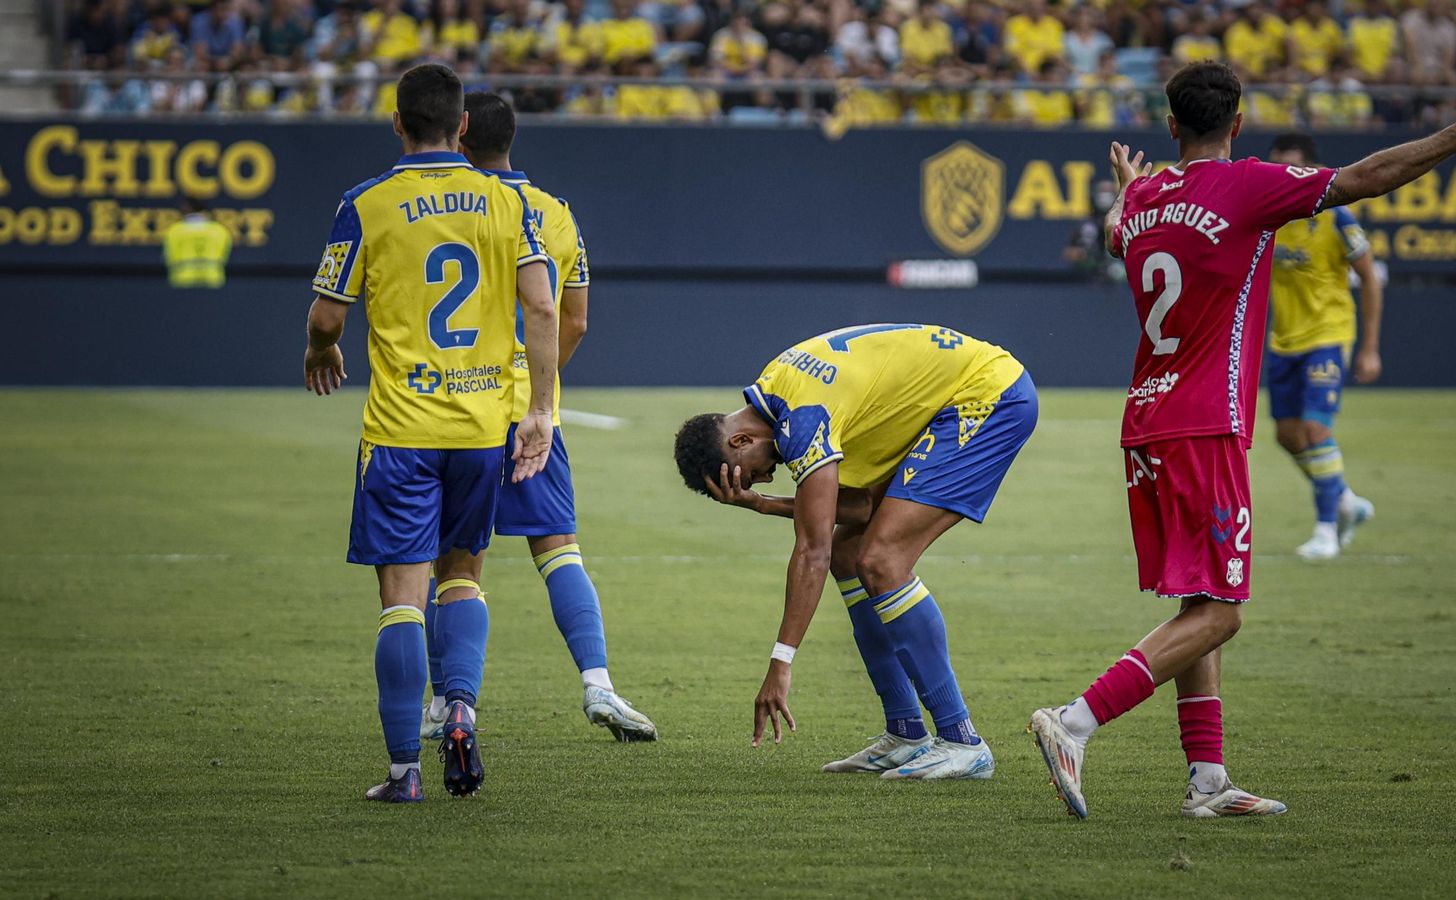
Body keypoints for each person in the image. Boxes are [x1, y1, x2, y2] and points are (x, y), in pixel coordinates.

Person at [1028, 60, 1456, 819]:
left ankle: (1208, 783)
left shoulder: (1145, 200)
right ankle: (1074, 722)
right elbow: (1368, 176)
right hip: (1205, 422)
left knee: (1201, 601)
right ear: (1236, 124)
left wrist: (1129, 186)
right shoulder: (1250, 184)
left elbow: (1109, 234)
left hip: (1147, 420)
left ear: (1169, 126)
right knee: (1222, 611)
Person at [302, 63, 560, 803]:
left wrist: (321, 350)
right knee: (463, 579)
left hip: (401, 431)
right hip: (482, 430)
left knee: (402, 602)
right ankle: (460, 709)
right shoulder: (506, 202)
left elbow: (326, 316)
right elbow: (541, 310)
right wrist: (537, 409)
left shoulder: (367, 203)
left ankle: (401, 773)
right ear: (465, 126)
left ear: (396, 123)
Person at [674, 324, 1038, 780]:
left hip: (987, 397)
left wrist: (780, 664)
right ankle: (906, 732)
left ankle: (962, 741)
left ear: (741, 441)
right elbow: (861, 507)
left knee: (882, 561)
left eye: (750, 475)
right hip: (946, 396)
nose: (764, 480)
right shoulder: (778, 390)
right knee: (852, 553)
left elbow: (812, 550)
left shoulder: (803, 420)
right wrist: (761, 505)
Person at [431, 90, 658, 743]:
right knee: (559, 550)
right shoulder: (557, 213)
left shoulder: (447, 208)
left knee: (450, 565)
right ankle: (599, 685)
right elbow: (574, 317)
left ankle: (446, 704)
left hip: (456, 407)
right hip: (533, 413)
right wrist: (540, 390)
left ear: (461, 131)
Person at [1265, 133, 1382, 561]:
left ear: (1313, 172)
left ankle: (1327, 530)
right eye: (1278, 168)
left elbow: (1370, 277)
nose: (1285, 177)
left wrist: (1369, 347)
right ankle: (1347, 500)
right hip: (1284, 340)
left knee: (1316, 428)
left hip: (1328, 336)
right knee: (1287, 435)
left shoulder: (1338, 220)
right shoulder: (1268, 218)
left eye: (1293, 168)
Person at [163, 197, 232, 289]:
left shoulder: (175, 231)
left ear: (188, 208)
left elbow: (169, 257)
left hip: (182, 280)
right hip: (212, 279)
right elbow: (224, 256)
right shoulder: (219, 230)